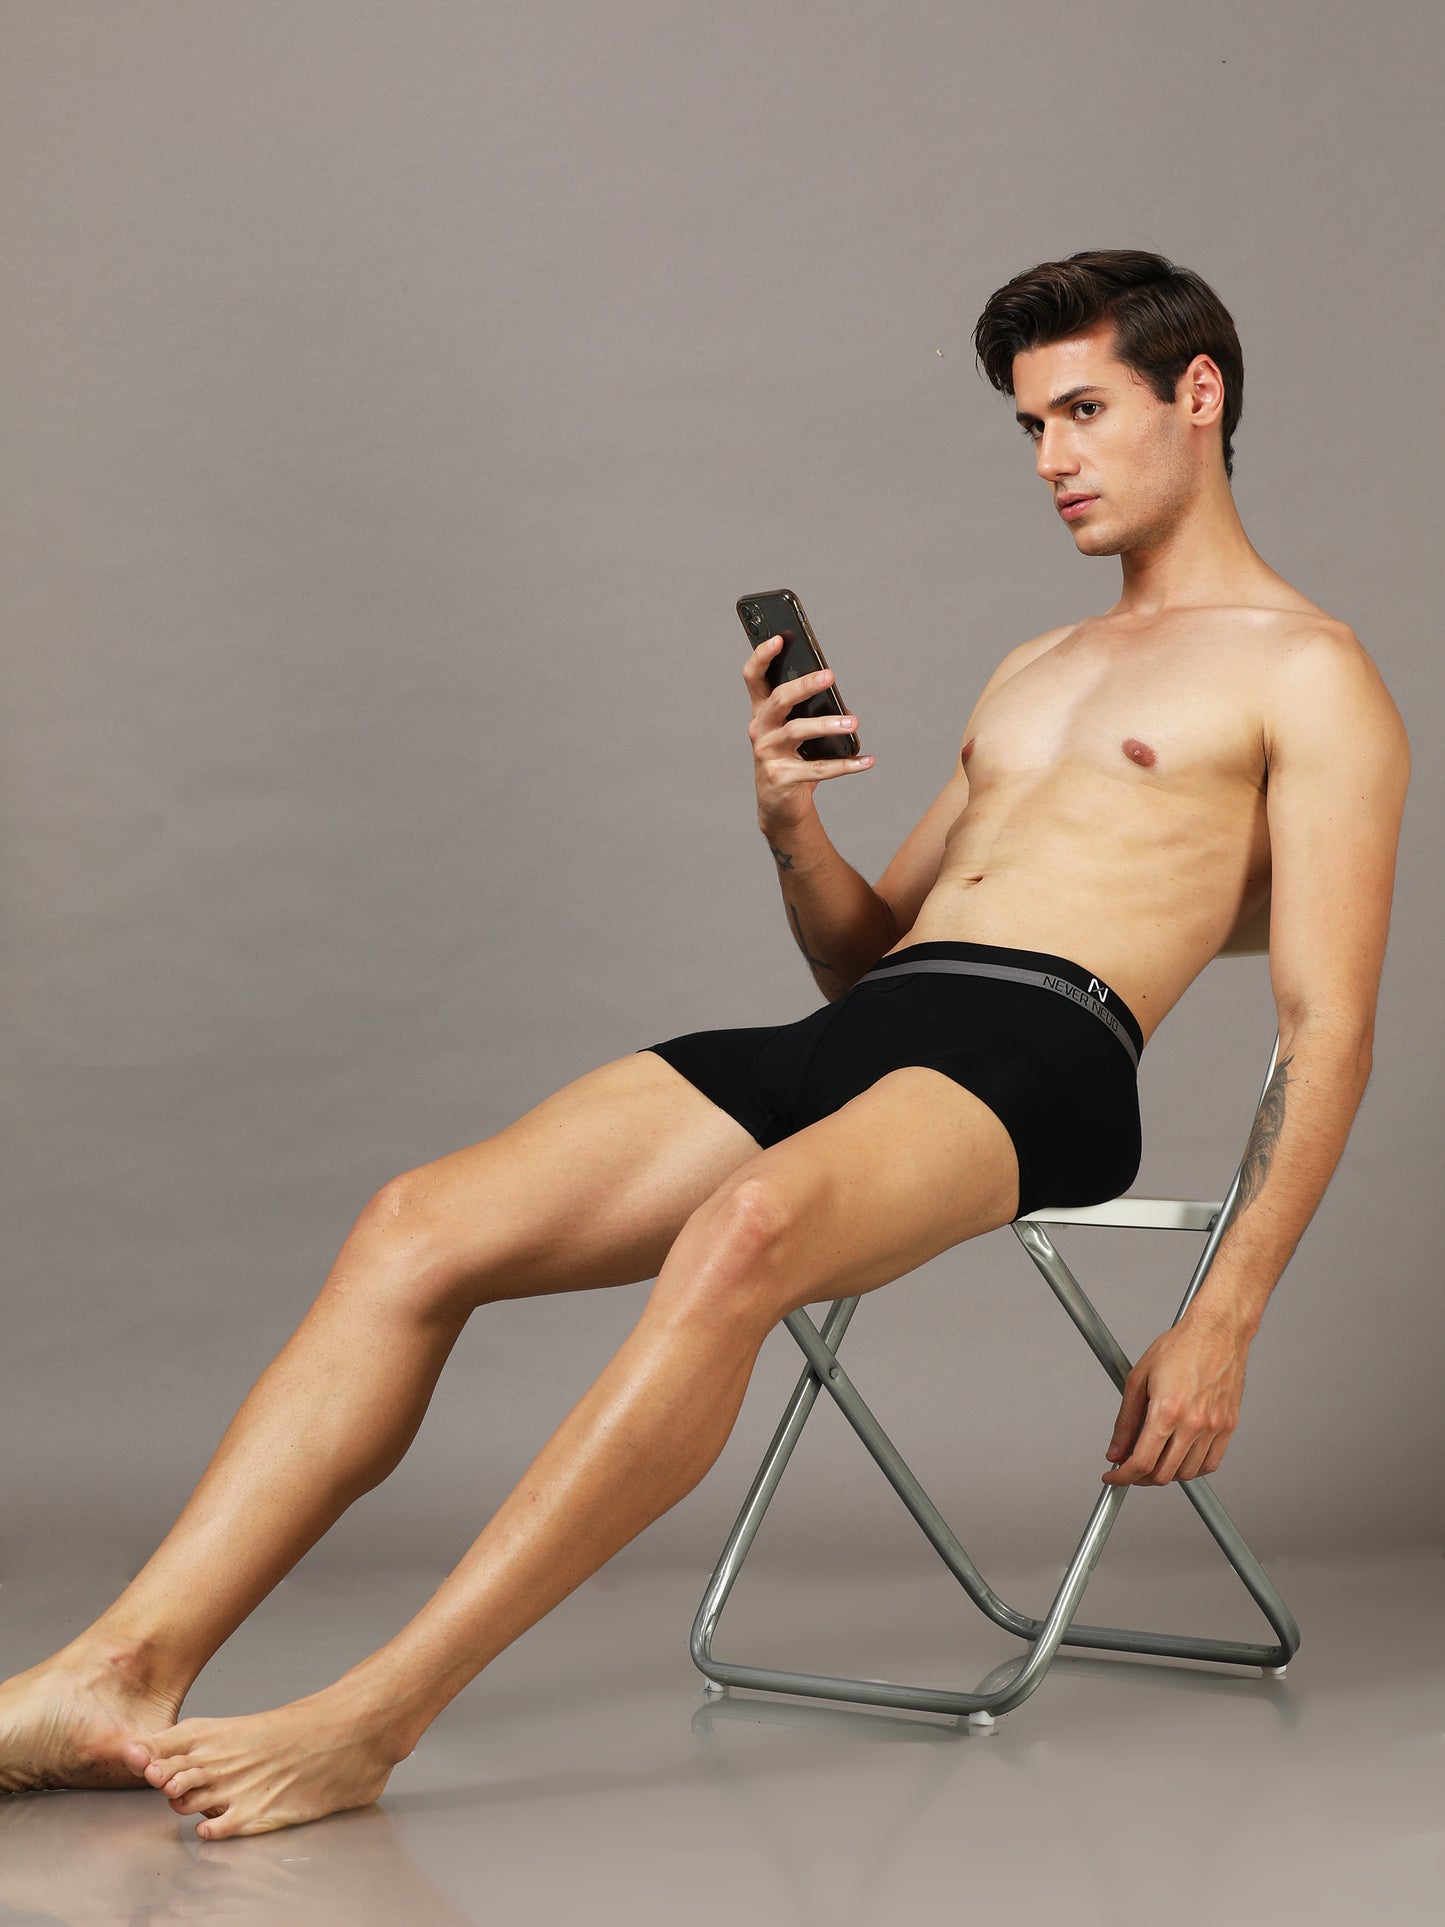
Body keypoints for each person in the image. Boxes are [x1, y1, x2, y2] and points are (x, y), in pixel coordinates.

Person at [0, 248, 1409, 1837]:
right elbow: (860, 954)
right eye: (1029, 427)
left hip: (1046, 1057)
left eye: (1082, 412)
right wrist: (788, 826)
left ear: (1195, 393)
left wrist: (1224, 1317)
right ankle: (119, 1670)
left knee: (739, 1233)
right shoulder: (1035, 668)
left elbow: (1327, 1020)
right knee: (415, 1225)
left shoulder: (1311, 673)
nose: (1049, 461)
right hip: (884, 1021)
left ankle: (374, 1716)